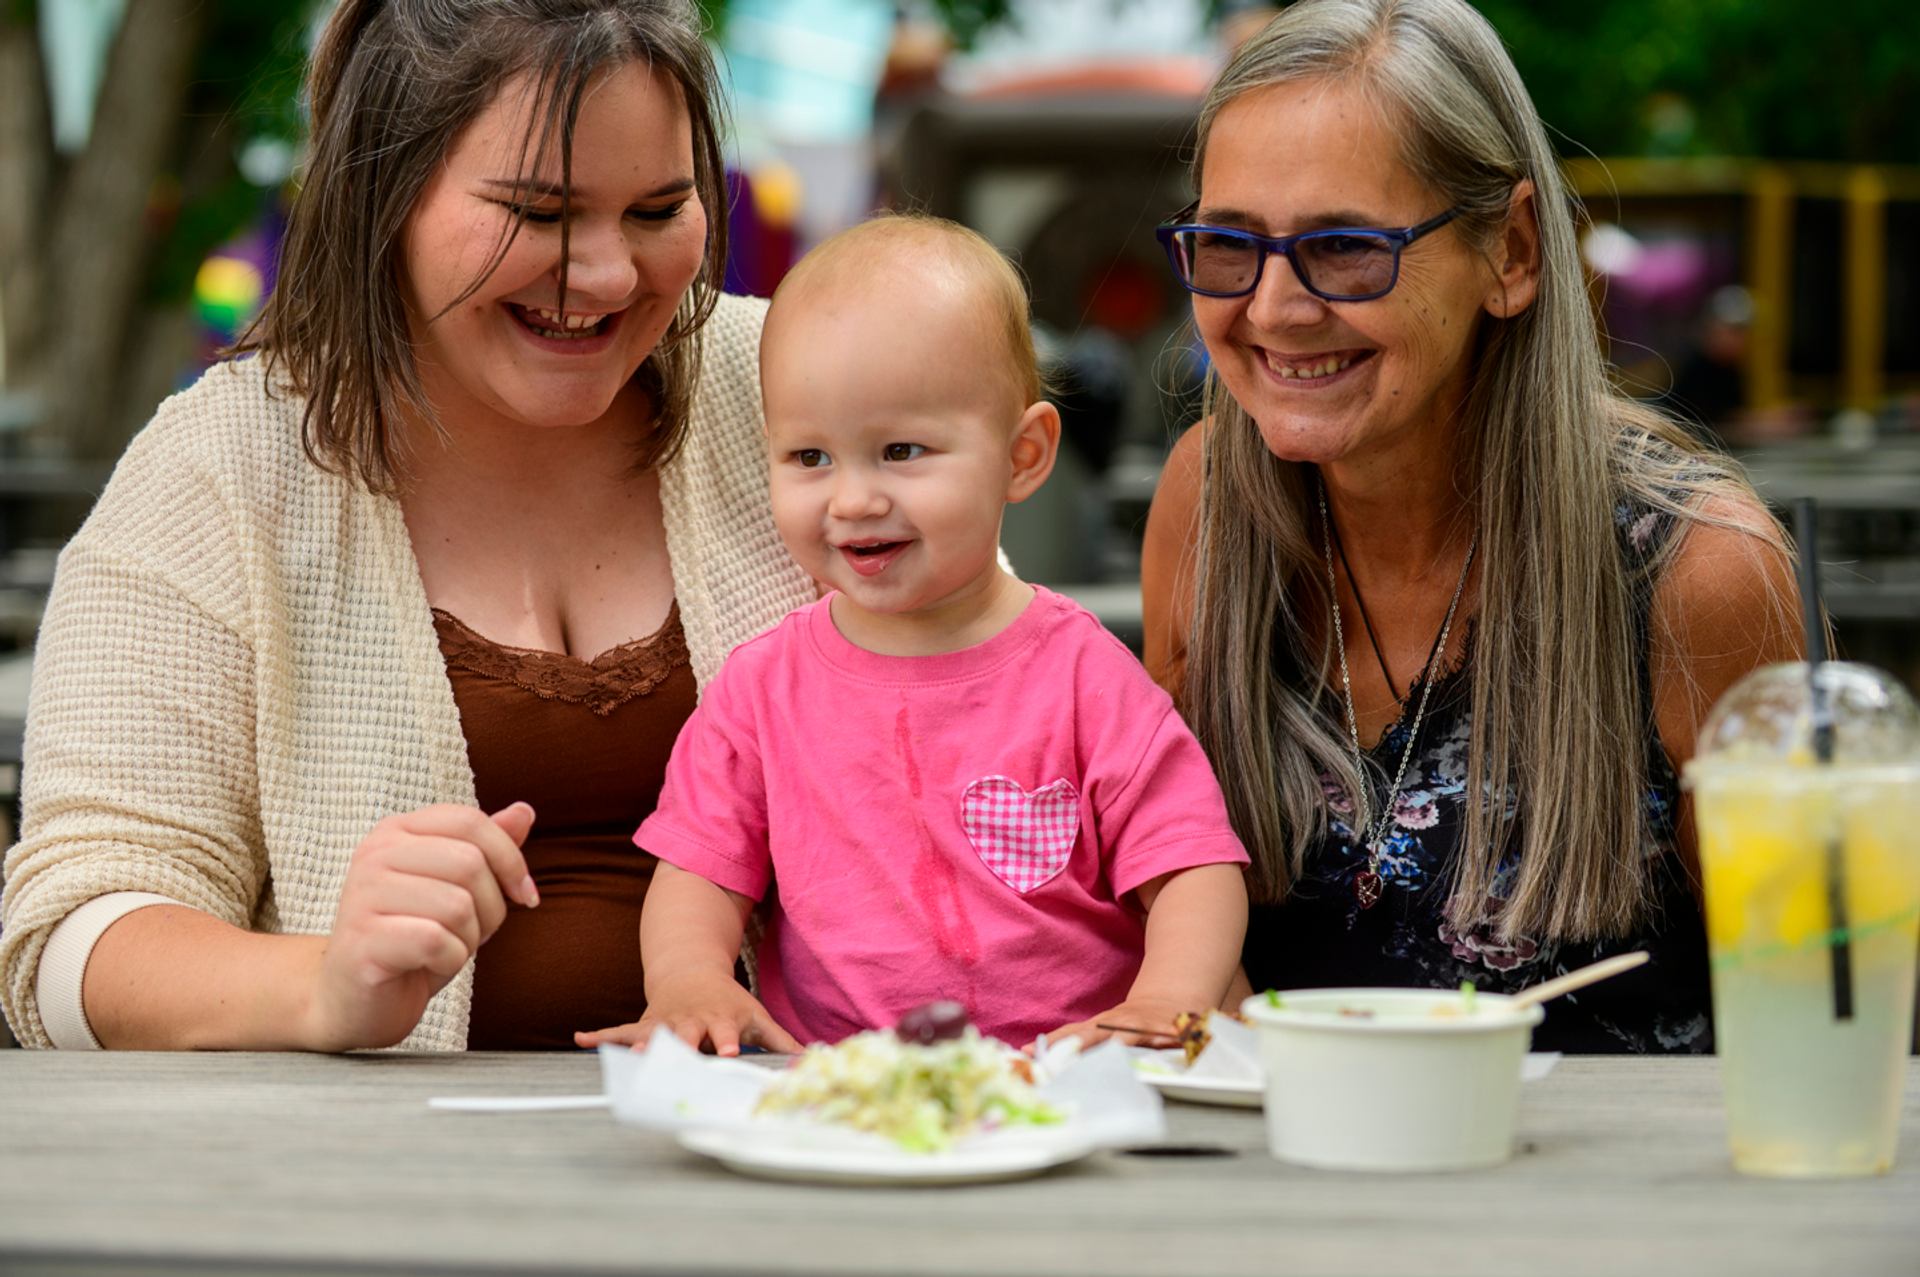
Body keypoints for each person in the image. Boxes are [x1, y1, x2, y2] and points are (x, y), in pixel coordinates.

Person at [0, 0, 818, 1052]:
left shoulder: (800, 386)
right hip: (371, 1196)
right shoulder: (218, 472)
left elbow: (1020, 709)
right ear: (382, 189)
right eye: (540, 211)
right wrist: (323, 985)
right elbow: (66, 942)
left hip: (812, 1160)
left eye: (660, 210)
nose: (610, 274)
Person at [1140, 0, 1802, 1053]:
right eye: (1229, 244)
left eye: (1345, 247)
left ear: (1514, 252)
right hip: (1264, 1188)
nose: (1270, 308)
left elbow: (1809, 1003)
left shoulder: (1697, 569)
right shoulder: (1212, 502)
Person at [576, 216, 1250, 1055]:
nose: (853, 498)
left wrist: (1168, 1001)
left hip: (1071, 1081)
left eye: (901, 450)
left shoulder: (1083, 674)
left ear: (1024, 455)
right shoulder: (760, 690)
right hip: (842, 1093)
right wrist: (690, 981)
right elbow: (699, 870)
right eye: (810, 457)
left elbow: (1191, 865)